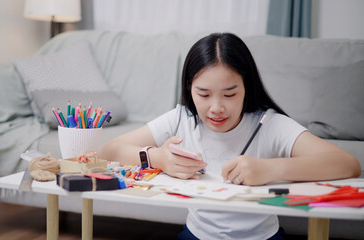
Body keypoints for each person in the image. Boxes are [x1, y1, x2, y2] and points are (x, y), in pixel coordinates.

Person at [98, 33, 361, 240]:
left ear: (247, 87)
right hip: (196, 235)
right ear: (189, 89)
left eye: (230, 94)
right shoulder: (181, 119)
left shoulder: (268, 123)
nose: (216, 107)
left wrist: (270, 168)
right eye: (203, 94)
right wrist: (157, 158)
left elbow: (347, 164)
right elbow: (108, 151)